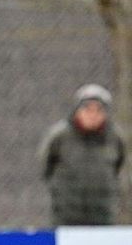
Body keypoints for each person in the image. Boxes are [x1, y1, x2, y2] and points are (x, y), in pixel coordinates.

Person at [39, 83, 127, 226]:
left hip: (103, 215)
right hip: (65, 216)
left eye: (98, 110)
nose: (93, 115)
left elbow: (119, 166)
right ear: (77, 111)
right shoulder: (60, 136)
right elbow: (46, 166)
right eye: (87, 109)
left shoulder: (115, 138)